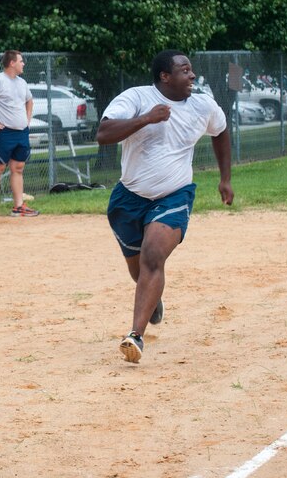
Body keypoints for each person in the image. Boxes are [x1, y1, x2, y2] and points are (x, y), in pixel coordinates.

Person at [97, 50, 234, 363]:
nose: (192, 76)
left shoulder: (203, 105)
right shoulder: (136, 98)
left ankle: (135, 336)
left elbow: (221, 131)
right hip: (128, 199)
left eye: (191, 70)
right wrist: (147, 118)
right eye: (185, 70)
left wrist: (225, 178)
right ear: (165, 76)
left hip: (174, 195)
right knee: (139, 269)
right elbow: (104, 134)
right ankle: (152, 299)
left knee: (153, 255)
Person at [0, 49, 40, 218]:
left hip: (21, 133)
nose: (23, 63)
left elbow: (29, 100)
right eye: (21, 61)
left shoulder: (21, 82)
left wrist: (27, 120)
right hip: (3, 133)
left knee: (18, 168)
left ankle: (18, 207)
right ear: (12, 63)